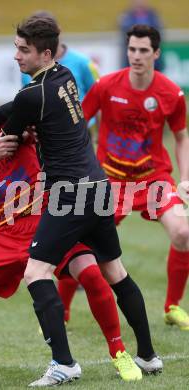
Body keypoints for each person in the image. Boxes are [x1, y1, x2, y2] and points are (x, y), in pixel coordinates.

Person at [0, 15, 162, 386]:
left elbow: (8, 138)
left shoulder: (32, 94)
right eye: (16, 47)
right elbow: (21, 105)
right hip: (98, 186)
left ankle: (64, 364)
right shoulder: (64, 76)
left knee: (36, 272)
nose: (16, 56)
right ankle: (149, 356)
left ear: (46, 53)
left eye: (24, 50)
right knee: (115, 271)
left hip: (69, 195)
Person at [0, 84, 142, 382]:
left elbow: (34, 103)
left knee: (90, 272)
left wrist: (25, 133)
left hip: (48, 218)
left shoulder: (6, 125)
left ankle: (119, 353)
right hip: (4, 233)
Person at [82, 24, 189, 333]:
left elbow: (181, 137)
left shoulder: (171, 93)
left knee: (183, 233)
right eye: (132, 50)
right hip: (110, 179)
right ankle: (61, 312)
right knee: (85, 245)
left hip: (153, 177)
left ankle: (171, 307)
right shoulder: (106, 87)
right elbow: (79, 122)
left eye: (143, 50)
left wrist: (185, 178)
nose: (136, 56)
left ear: (156, 53)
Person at [21, 11, 98, 129]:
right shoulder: (28, 67)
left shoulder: (83, 63)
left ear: (59, 32)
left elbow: (100, 97)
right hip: (46, 135)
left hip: (80, 133)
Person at [118, 0, 163, 71]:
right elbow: (124, 34)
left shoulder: (153, 16)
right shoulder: (126, 17)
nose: (139, 2)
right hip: (130, 62)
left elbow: (159, 34)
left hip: (153, 62)